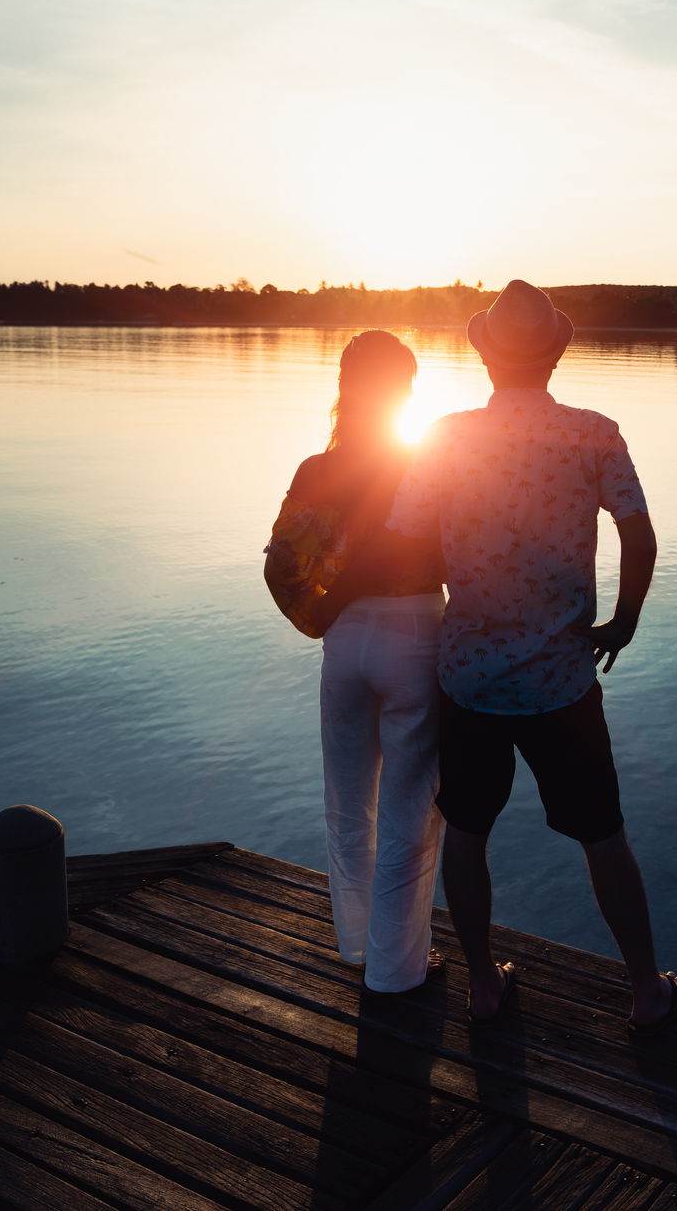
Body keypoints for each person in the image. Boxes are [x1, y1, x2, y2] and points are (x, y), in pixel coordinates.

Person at [315, 280, 677, 1038]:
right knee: (603, 835)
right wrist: (623, 620)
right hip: (562, 680)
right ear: (556, 350)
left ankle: (484, 985)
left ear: (484, 354)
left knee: (467, 832)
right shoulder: (595, 432)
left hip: (469, 678)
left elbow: (406, 535)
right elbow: (640, 535)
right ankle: (646, 991)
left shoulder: (449, 438)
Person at [263, 330, 449, 993]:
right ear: (404, 390)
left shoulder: (316, 470)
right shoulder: (427, 464)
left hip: (344, 641)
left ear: (345, 385)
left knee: (349, 805)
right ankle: (398, 970)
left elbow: (279, 564)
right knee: (410, 809)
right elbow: (461, 557)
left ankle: (360, 949)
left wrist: (315, 616)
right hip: (415, 636)